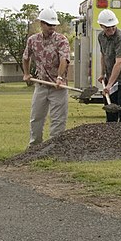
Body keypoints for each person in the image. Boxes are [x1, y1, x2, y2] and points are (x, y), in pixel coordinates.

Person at [22, 8, 70, 145]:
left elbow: (64, 60)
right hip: (41, 85)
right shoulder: (33, 40)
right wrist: (26, 73)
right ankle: (34, 148)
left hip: (58, 87)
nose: (52, 27)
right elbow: (26, 57)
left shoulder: (61, 40)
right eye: (49, 24)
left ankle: (54, 149)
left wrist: (59, 77)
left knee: (58, 120)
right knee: (36, 117)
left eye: (54, 25)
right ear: (41, 24)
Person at [97, 9, 121, 123]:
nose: (111, 29)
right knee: (111, 115)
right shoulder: (101, 37)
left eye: (113, 26)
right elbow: (104, 55)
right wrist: (102, 74)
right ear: (101, 26)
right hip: (111, 79)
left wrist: (109, 85)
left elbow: (119, 62)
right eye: (107, 27)